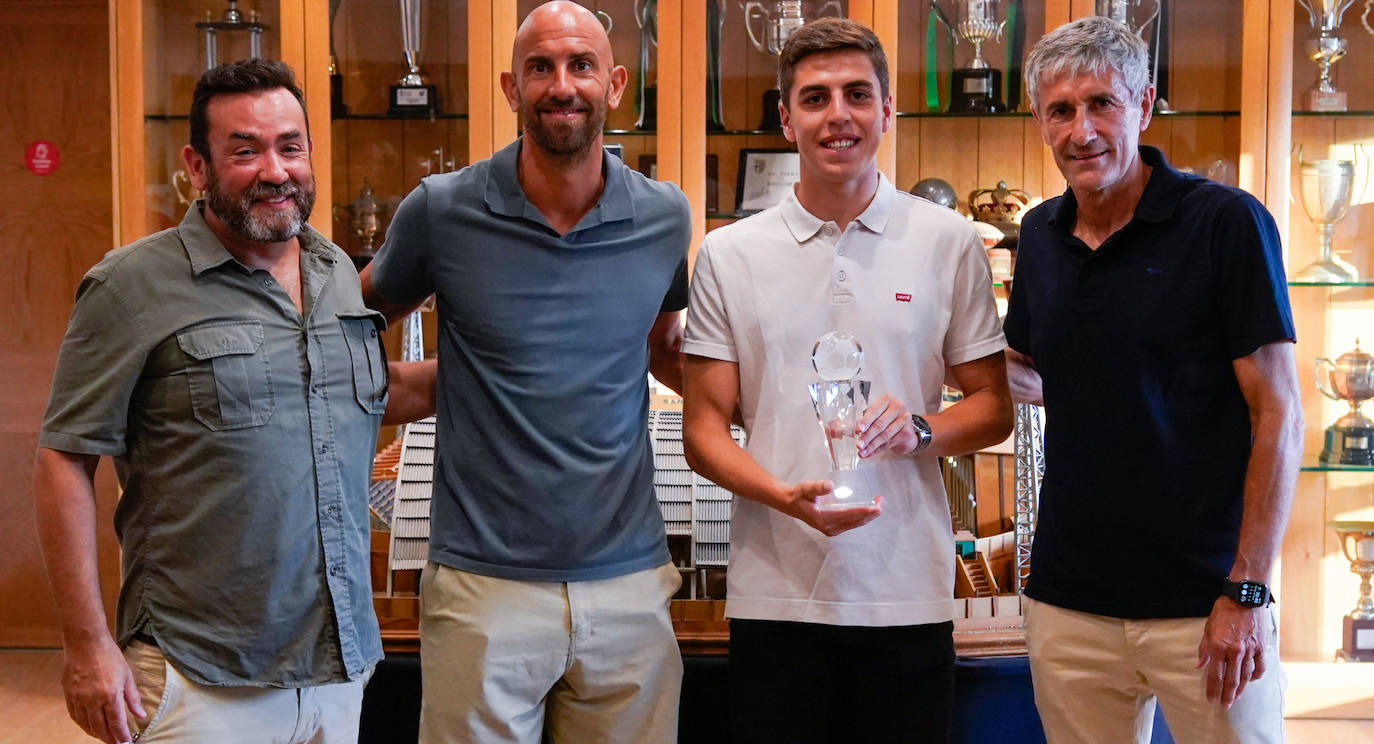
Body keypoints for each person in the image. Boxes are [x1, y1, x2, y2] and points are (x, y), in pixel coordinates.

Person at [33, 59, 436, 744]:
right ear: (197, 164)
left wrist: (507, 361)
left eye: (290, 145)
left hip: (336, 668)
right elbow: (63, 462)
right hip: (201, 676)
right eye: (244, 151)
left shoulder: (334, 269)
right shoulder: (131, 284)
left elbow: (361, 393)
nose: (274, 170)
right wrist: (88, 648)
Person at [358, 2, 691, 741]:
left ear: (615, 84)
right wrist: (390, 391)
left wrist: (770, 414)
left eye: (580, 66)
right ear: (511, 88)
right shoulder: (440, 212)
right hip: (482, 587)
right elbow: (353, 323)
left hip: (629, 585)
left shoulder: (665, 217)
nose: (560, 85)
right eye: (540, 67)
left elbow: (666, 350)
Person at [681, 18, 1013, 744]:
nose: (838, 114)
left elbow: (994, 408)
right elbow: (703, 432)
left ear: (887, 112)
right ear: (786, 118)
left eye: (858, 94)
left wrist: (923, 429)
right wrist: (783, 498)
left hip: (907, 596)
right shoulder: (731, 254)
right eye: (816, 97)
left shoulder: (948, 241)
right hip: (775, 598)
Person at [1004, 16, 1302, 744]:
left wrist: (1248, 589)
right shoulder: (1039, 236)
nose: (1082, 131)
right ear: (1041, 122)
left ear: (1143, 105)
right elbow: (1033, 372)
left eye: (1102, 103)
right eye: (1060, 110)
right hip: (1069, 602)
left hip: (1207, 601)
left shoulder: (1225, 223)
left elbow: (1280, 413)